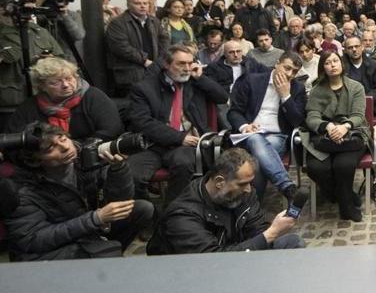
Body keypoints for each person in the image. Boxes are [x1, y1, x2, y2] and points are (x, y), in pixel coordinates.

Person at [5, 125, 154, 261]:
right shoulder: (22, 189)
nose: (65, 147)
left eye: (63, 139)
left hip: (86, 229)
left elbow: (119, 199)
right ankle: (102, 254)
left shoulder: (86, 159)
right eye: (51, 148)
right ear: (34, 160)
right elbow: (33, 240)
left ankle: (104, 251)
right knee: (105, 252)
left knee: (142, 209)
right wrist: (95, 219)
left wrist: (118, 169)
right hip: (46, 251)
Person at [147, 147, 301, 254]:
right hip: (193, 271)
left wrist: (270, 232)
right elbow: (213, 260)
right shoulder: (182, 215)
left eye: (249, 182)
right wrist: (271, 233)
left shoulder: (243, 193)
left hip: (234, 252)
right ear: (220, 181)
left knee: (292, 242)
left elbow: (257, 230)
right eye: (242, 184)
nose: (248, 189)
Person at [127, 45, 229, 201]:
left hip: (187, 146)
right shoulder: (145, 88)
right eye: (181, 63)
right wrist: (179, 137)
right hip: (153, 145)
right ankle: (147, 214)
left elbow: (222, 97)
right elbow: (142, 122)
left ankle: (174, 213)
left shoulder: (194, 83)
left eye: (190, 63)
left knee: (183, 163)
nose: (187, 68)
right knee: (131, 175)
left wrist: (201, 78)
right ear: (166, 64)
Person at [227, 53, 305, 200]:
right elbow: (234, 112)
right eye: (287, 68)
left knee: (256, 162)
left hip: (277, 136)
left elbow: (297, 121)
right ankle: (286, 185)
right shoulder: (252, 80)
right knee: (255, 140)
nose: (289, 74)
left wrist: (285, 96)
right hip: (249, 134)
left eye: (294, 71)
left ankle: (249, 209)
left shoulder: (297, 88)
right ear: (277, 63)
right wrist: (245, 126)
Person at [305, 51, 370, 222]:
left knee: (343, 165)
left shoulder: (356, 87)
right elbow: (312, 116)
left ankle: (346, 207)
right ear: (323, 67)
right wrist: (328, 126)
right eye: (327, 62)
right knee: (317, 168)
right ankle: (344, 195)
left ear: (341, 64)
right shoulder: (317, 89)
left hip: (351, 134)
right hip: (324, 136)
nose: (332, 65)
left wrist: (344, 127)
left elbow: (358, 115)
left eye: (335, 61)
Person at [6, 57, 122, 145]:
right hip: (45, 160)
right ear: (41, 86)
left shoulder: (93, 96)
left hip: (92, 155)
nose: (66, 85)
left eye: (69, 78)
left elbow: (111, 130)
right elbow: (13, 137)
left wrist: (78, 148)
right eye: (56, 82)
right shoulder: (29, 107)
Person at [0, 0, 65, 111]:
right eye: (23, 9)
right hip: (10, 103)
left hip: (43, 99)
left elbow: (61, 61)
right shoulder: (3, 33)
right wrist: (8, 27)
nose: (28, 14)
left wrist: (50, 61)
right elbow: (11, 55)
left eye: (30, 9)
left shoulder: (39, 31)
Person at [105, 0, 169, 96]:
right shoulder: (117, 23)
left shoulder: (154, 20)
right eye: (137, 3)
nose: (142, 6)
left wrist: (160, 60)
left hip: (154, 70)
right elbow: (121, 47)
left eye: (145, 3)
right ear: (128, 5)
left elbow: (164, 39)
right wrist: (144, 60)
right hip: (131, 74)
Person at [342, 35, 376, 117]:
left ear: (362, 47)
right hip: (346, 108)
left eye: (357, 46)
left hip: (369, 106)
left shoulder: (374, 65)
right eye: (350, 48)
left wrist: (365, 99)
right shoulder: (341, 66)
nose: (354, 50)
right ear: (345, 50)